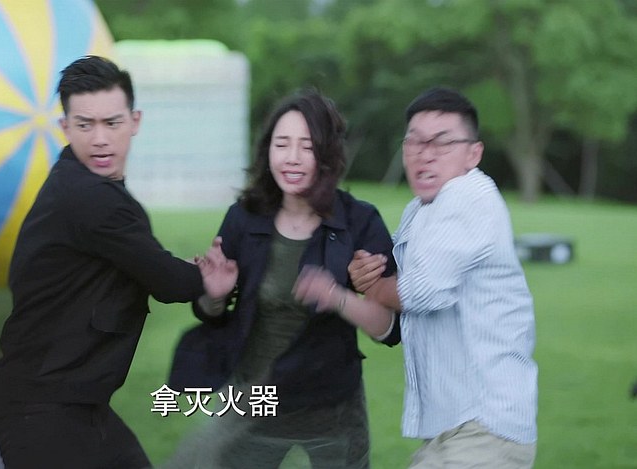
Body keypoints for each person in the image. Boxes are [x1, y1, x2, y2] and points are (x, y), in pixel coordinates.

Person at [0, 55, 236, 469]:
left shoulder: (83, 186)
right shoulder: (88, 197)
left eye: (112, 123)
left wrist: (188, 276)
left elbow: (144, 265)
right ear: (65, 127)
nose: (100, 139)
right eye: (85, 125)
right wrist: (206, 278)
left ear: (135, 121)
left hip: (79, 407)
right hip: (43, 412)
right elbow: (169, 282)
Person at [168, 89, 399, 469]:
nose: (292, 157)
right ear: (267, 151)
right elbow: (210, 312)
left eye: (307, 146)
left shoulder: (359, 221)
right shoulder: (244, 218)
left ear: (327, 154)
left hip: (332, 407)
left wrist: (337, 297)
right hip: (253, 400)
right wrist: (215, 294)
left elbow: (388, 329)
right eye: (282, 144)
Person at [346, 87, 538, 468]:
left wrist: (371, 285)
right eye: (414, 142)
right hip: (454, 429)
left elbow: (419, 291)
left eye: (443, 142)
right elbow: (397, 309)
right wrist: (365, 276)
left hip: (484, 425)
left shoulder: (468, 196)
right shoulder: (419, 212)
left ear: (473, 154)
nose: (425, 153)